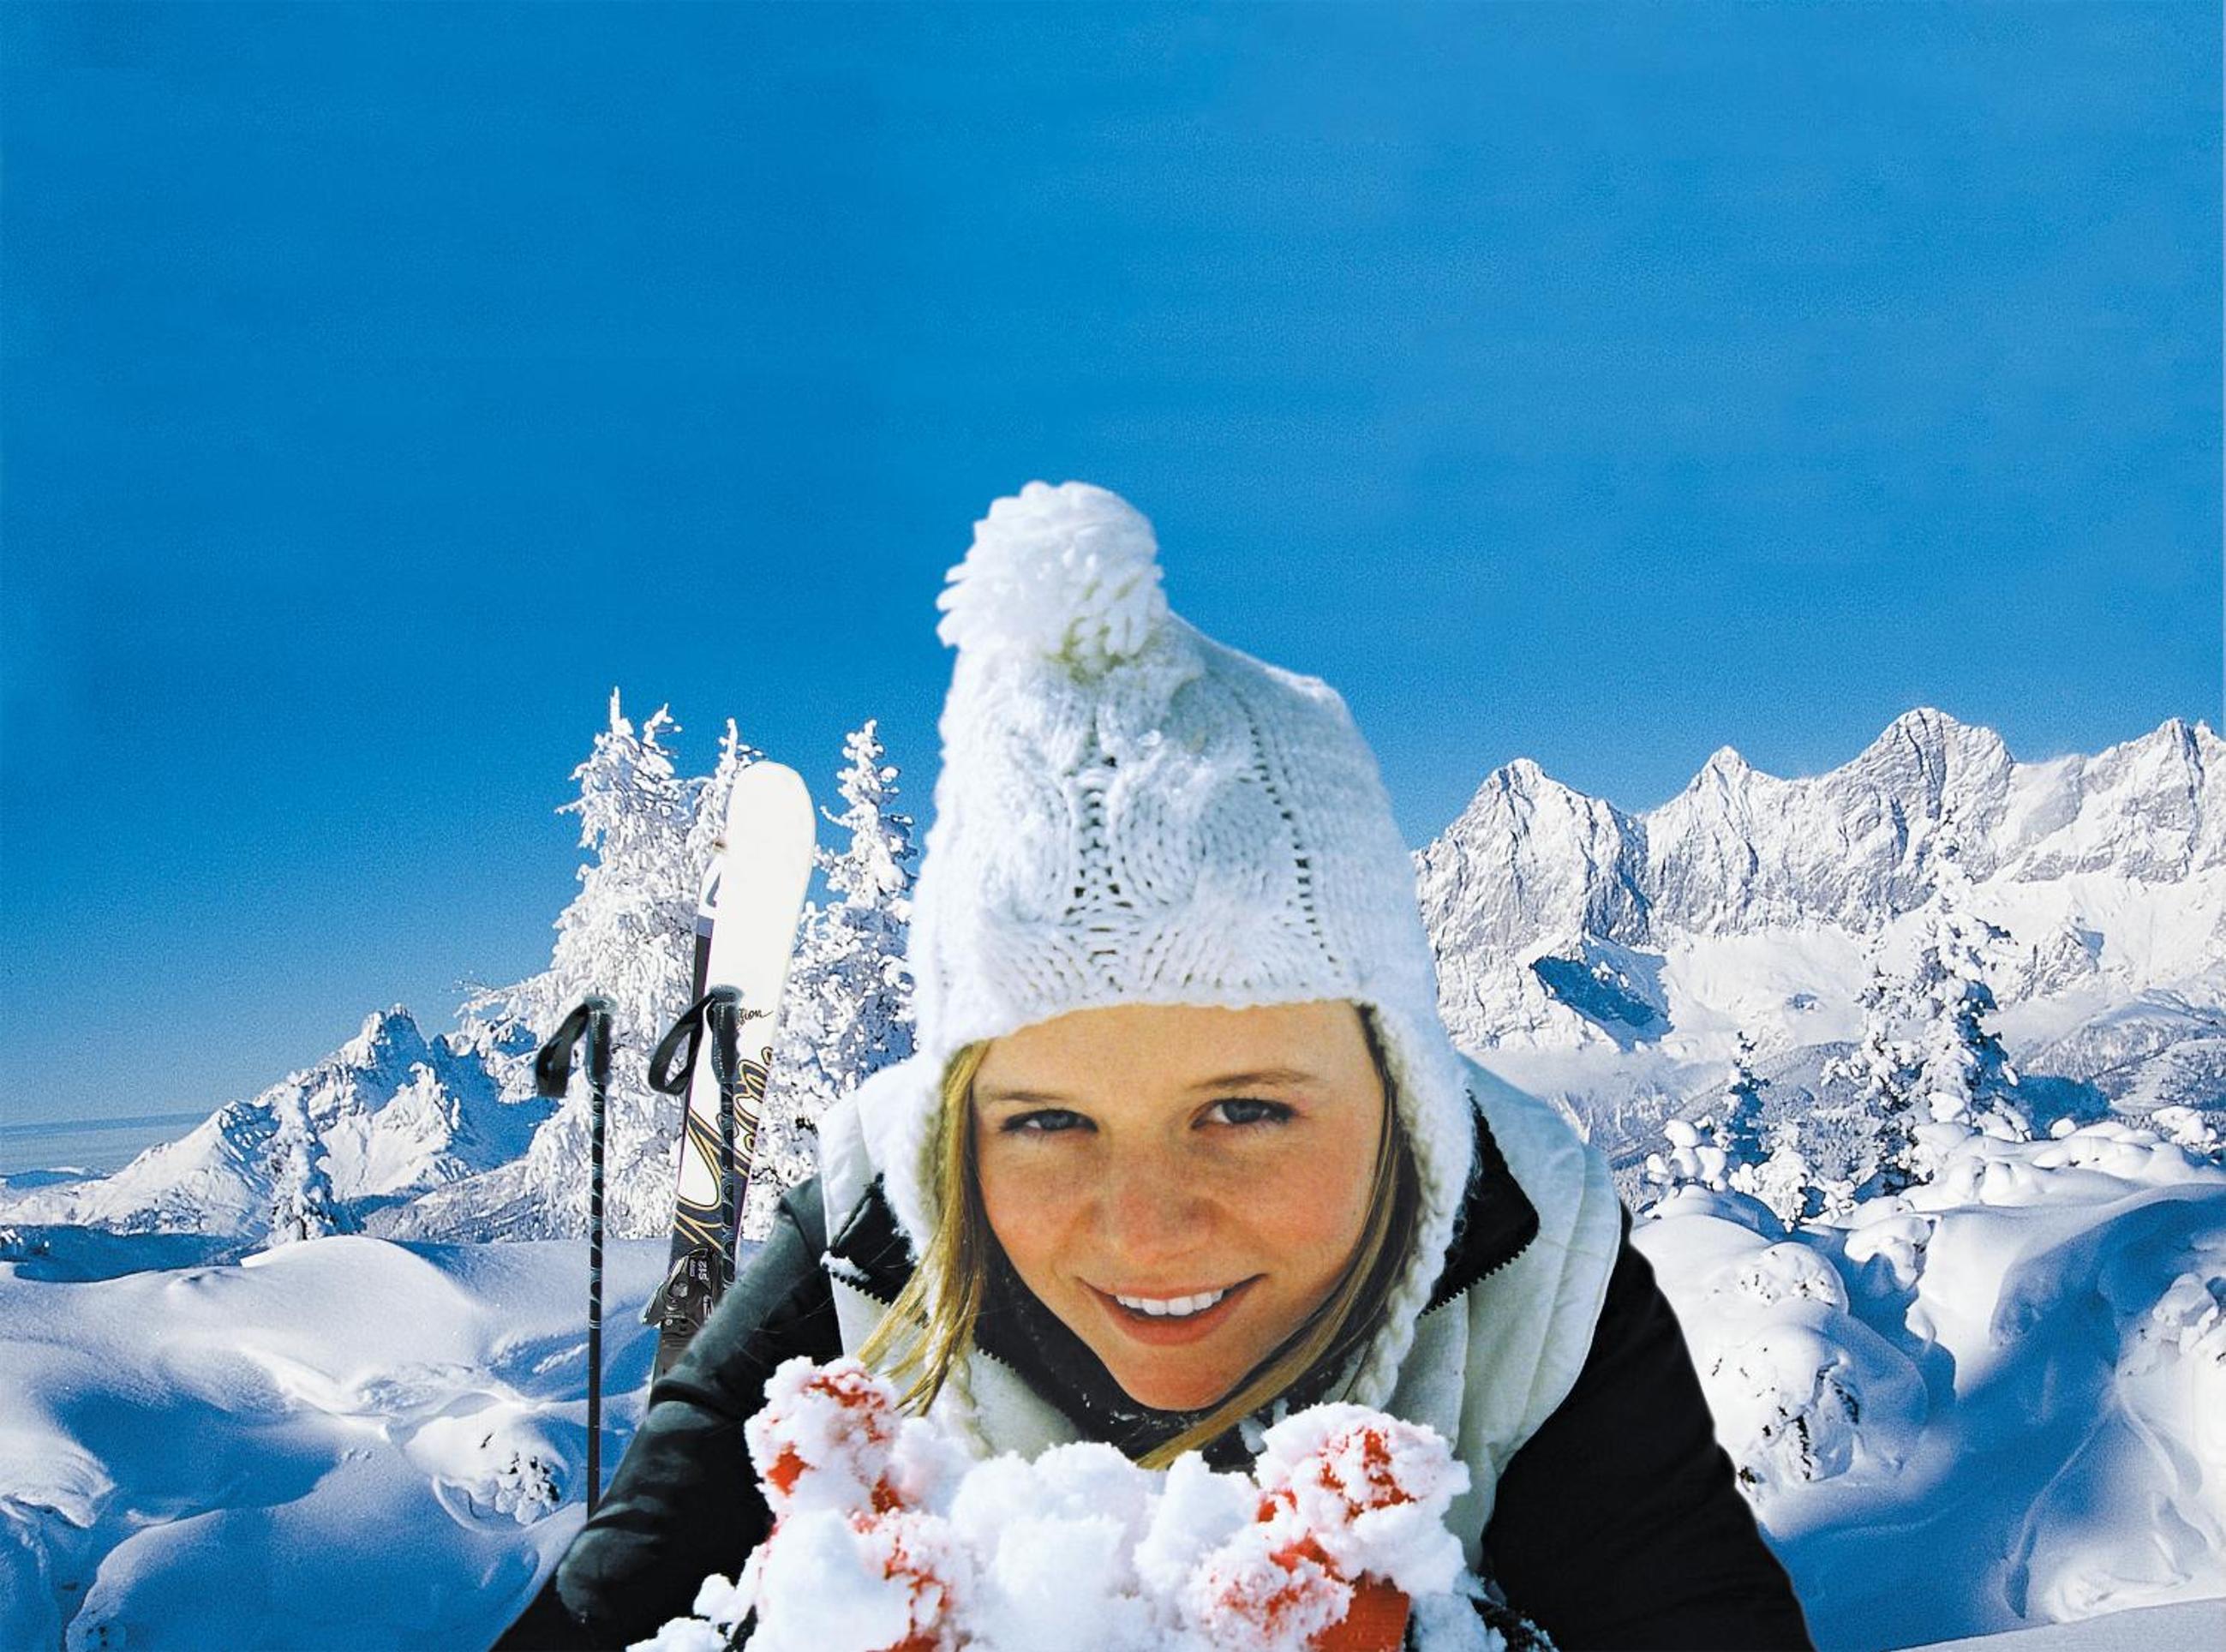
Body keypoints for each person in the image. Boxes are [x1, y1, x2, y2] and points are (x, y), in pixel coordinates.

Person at [493, 482, 1813, 1650]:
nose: (1144, 1231)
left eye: (1242, 1108)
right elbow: (618, 1595)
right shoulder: (857, 1239)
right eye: (1046, 1121)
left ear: (1399, 1091)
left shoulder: (1530, 1269)